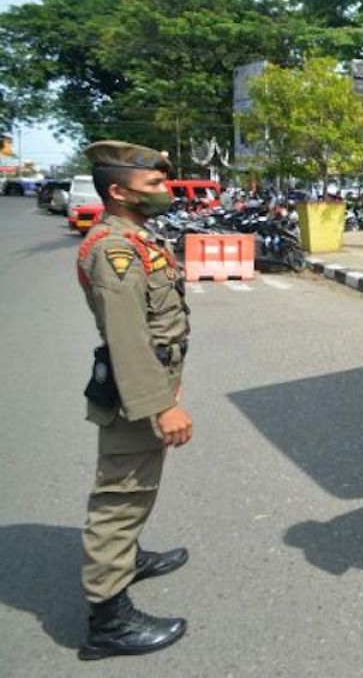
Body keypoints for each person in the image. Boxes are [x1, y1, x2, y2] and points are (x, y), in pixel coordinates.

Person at [74, 141, 194, 660]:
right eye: (154, 185)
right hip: (134, 391)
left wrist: (170, 383)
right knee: (120, 495)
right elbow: (127, 337)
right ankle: (108, 620)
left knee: (139, 483)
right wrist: (161, 404)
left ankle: (128, 559)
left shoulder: (135, 235)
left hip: (150, 379)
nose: (165, 190)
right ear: (119, 191)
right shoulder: (113, 249)